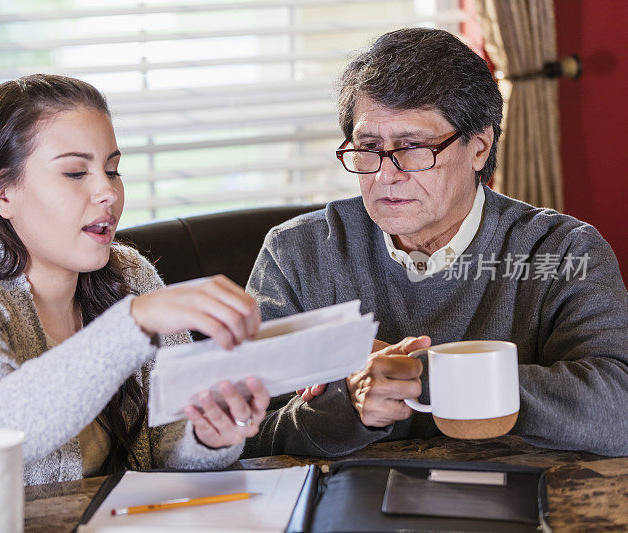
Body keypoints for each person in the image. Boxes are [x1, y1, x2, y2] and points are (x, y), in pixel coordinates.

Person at [0, 74, 270, 509]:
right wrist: (135, 322)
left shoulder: (130, 276)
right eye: (76, 173)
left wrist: (205, 437)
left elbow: (164, 443)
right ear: (0, 193)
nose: (108, 193)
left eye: (112, 170)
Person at [242, 28, 628, 459]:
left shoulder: (563, 252)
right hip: (347, 505)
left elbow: (618, 411)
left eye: (413, 148)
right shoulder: (296, 254)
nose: (386, 174)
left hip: (519, 497)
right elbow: (242, 434)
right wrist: (348, 407)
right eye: (369, 148)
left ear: (479, 147)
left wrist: (425, 373)